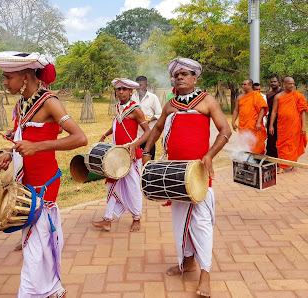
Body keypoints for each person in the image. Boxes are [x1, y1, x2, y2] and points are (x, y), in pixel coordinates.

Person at [0, 51, 87, 297]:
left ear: (26, 77)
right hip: (25, 179)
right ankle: (53, 287)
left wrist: (37, 147)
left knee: (34, 243)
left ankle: (31, 292)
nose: (5, 82)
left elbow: (80, 137)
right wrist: (10, 152)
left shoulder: (50, 101)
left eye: (8, 77)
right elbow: (25, 138)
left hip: (44, 181)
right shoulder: (21, 104)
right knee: (36, 238)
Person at [142, 58, 231, 297]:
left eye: (185, 74)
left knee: (201, 223)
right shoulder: (170, 104)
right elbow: (158, 128)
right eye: (176, 74)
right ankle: (188, 260)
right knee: (180, 220)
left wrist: (210, 155)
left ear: (195, 78)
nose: (179, 77)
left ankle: (205, 273)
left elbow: (225, 130)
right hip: (174, 172)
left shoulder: (207, 101)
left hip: (199, 173)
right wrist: (146, 151)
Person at [92, 78, 150, 232]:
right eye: (118, 89)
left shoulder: (136, 109)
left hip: (130, 155)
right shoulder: (118, 107)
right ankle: (108, 219)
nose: (121, 92)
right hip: (116, 155)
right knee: (111, 185)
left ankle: (137, 218)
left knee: (132, 188)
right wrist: (104, 135)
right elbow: (116, 125)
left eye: (124, 89)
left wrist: (134, 145)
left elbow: (148, 132)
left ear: (131, 91)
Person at [269, 77, 307, 173]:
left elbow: (303, 112)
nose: (292, 85)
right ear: (284, 84)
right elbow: (273, 112)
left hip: (295, 124)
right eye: (289, 83)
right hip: (282, 125)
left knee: (294, 145)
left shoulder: (298, 96)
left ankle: (294, 164)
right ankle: (282, 166)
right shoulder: (278, 97)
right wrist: (271, 125)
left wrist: (304, 126)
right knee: (282, 144)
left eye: (293, 83)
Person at [232, 79, 268, 154]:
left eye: (245, 84)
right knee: (244, 144)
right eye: (242, 84)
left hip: (254, 125)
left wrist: (258, 122)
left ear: (250, 85)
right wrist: (233, 121)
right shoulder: (240, 97)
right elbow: (236, 110)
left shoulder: (256, 95)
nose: (243, 86)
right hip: (243, 125)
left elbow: (263, 109)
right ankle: (246, 161)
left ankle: (256, 161)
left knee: (256, 144)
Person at [131, 76, 161, 159]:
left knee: (148, 159)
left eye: (141, 85)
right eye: (137, 85)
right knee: (136, 159)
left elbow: (159, 114)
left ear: (146, 85)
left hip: (149, 134)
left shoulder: (153, 97)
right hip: (136, 135)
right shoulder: (132, 97)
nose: (139, 88)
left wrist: (149, 119)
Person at [266, 77, 283, 157]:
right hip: (271, 119)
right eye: (271, 82)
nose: (273, 83)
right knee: (271, 140)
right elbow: (269, 109)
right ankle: (271, 159)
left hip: (282, 120)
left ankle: (282, 159)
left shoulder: (283, 93)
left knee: (281, 139)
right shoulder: (268, 94)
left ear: (279, 83)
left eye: (275, 82)